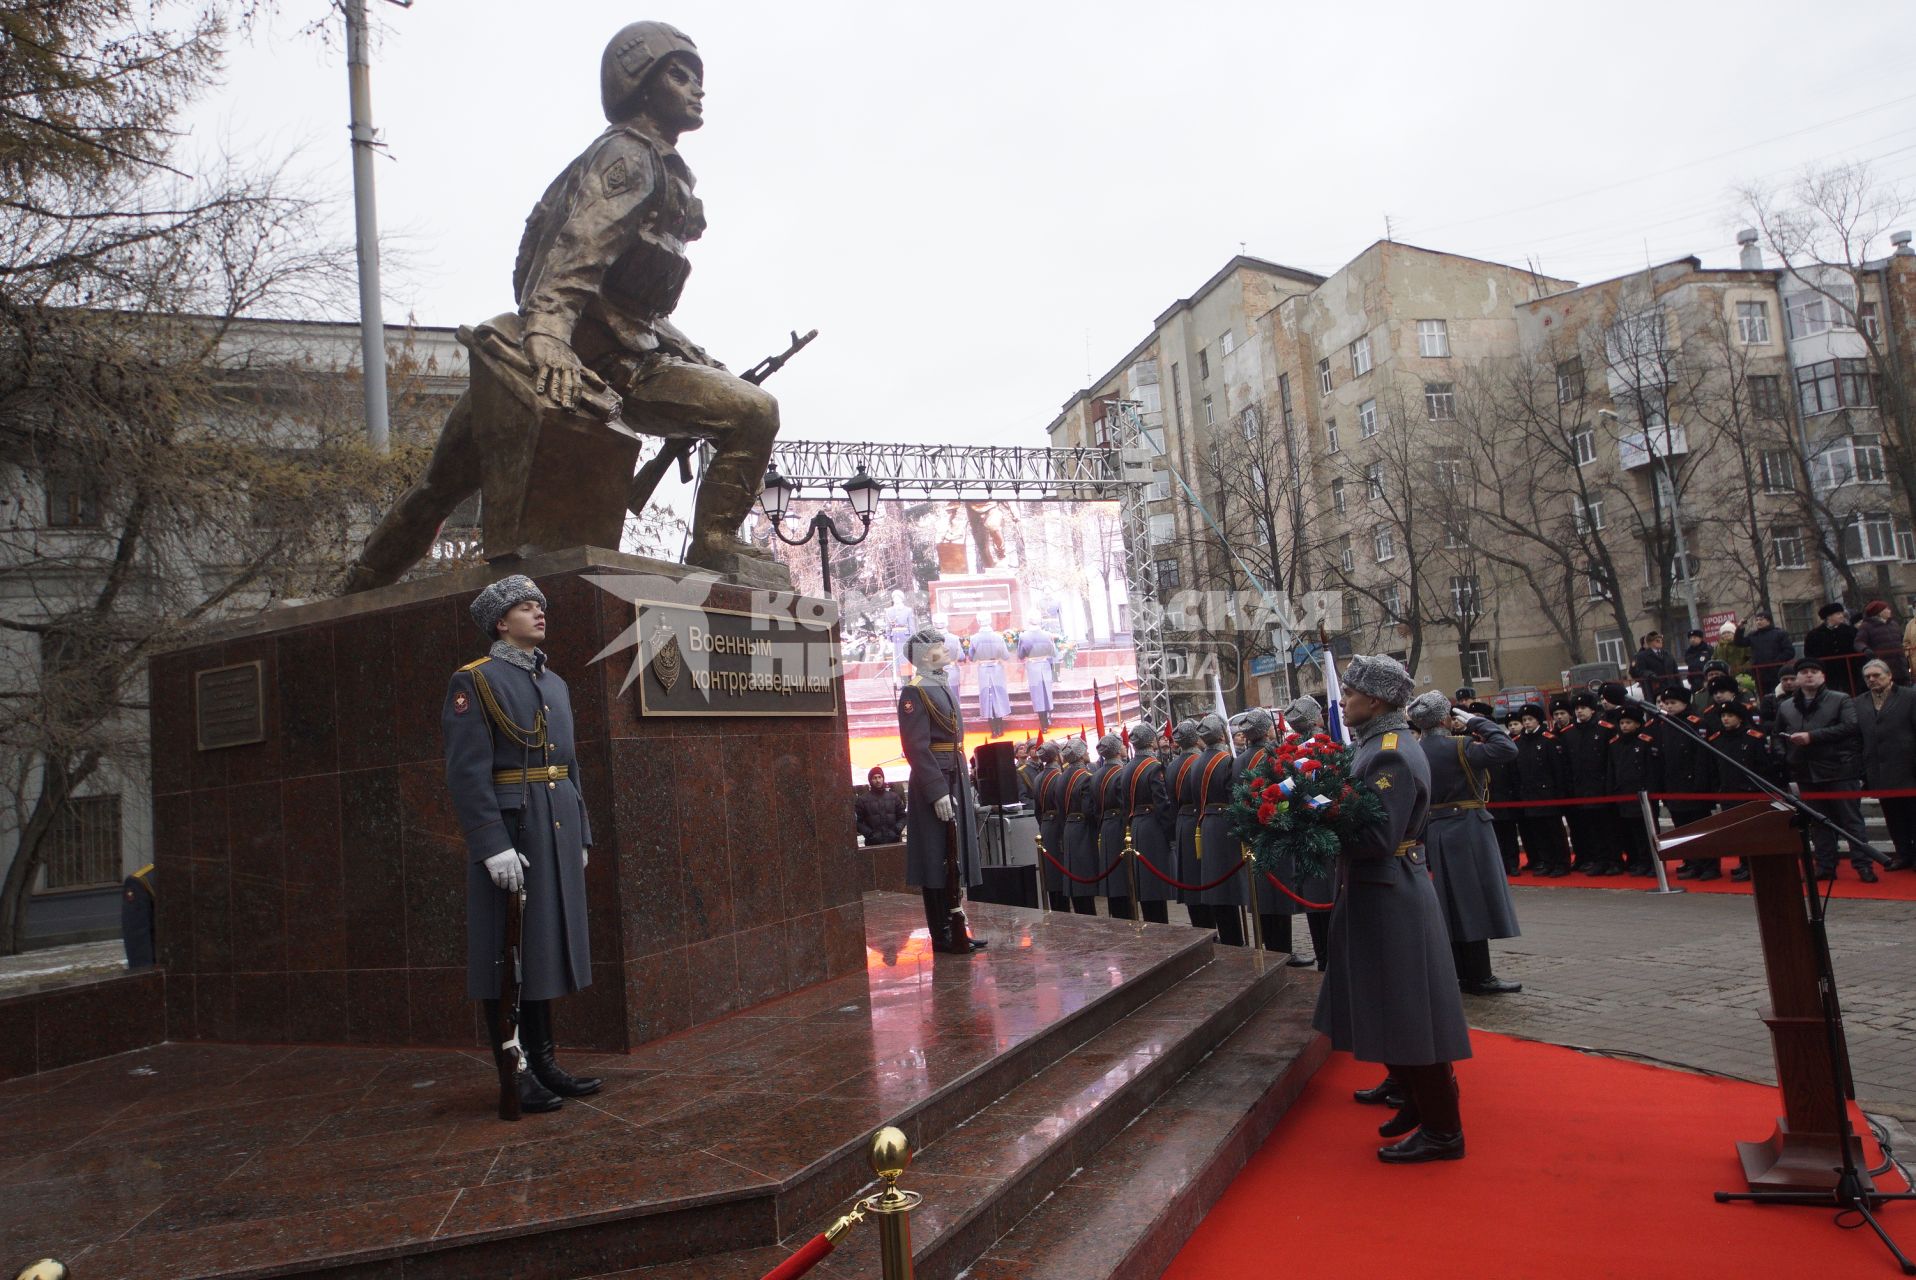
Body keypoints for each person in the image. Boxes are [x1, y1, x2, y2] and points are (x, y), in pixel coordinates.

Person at [345, 24, 779, 591]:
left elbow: (623, 296)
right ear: (640, 85)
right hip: (588, 363)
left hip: (607, 350)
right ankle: (713, 544)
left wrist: (686, 348)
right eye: (679, 74)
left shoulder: (663, 169)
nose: (697, 89)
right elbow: (578, 246)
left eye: (698, 77)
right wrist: (548, 336)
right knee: (754, 413)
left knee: (437, 490)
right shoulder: (628, 156)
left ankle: (357, 590)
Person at [444, 575, 599, 1117]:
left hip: (553, 827)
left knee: (540, 950)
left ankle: (546, 1061)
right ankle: (517, 1071)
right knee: (504, 956)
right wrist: (490, 844)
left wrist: (579, 830)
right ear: (499, 622)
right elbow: (468, 773)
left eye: (540, 606)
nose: (539, 613)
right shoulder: (475, 682)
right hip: (514, 834)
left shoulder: (553, 683)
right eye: (526, 607)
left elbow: (570, 764)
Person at [1317, 655, 1472, 1164]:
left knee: (1409, 1009)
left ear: (1376, 701)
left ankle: (1444, 1132)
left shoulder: (1390, 754)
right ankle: (1417, 1102)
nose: (1344, 702)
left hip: (1388, 891)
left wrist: (1314, 824)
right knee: (1394, 1003)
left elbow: (1378, 836)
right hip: (1378, 891)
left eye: (1352, 693)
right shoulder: (1377, 746)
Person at [1406, 692, 1522, 996]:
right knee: (1473, 904)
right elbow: (1507, 748)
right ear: (1446, 718)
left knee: (1451, 905)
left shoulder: (1415, 751)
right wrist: (1477, 721)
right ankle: (1480, 977)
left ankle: (1461, 974)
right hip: (1469, 829)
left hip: (1434, 831)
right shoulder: (1461, 746)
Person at [897, 627, 991, 950]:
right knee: (937, 859)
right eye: (938, 646)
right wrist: (936, 790)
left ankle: (957, 926)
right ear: (925, 655)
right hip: (934, 781)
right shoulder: (914, 691)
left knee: (955, 856)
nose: (944, 650)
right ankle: (942, 933)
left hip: (955, 775)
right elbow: (916, 747)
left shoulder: (941, 685)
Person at [1774, 658, 1876, 883]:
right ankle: (1825, 865)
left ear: (1823, 677)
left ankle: (1863, 865)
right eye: (1804, 672)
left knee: (1851, 821)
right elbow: (1777, 734)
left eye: (1814, 671)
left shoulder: (1840, 699)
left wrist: (1813, 736)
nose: (1809, 675)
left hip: (1839, 769)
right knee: (1817, 822)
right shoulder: (1786, 706)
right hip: (1805, 771)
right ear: (1797, 678)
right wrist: (1785, 755)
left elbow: (1850, 727)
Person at [1236, 708, 1317, 965]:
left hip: (1252, 830)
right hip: (1275, 826)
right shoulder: (1273, 755)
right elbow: (1288, 788)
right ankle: (1282, 951)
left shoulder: (1238, 759)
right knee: (1278, 893)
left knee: (1262, 890)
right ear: (1266, 730)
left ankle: (1268, 947)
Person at [1704, 701, 1779, 882]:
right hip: (1728, 791)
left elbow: (1764, 766)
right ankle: (1744, 863)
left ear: (1739, 717)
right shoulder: (1716, 739)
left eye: (1729, 715)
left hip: (1749, 791)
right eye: (1723, 716)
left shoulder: (1753, 737)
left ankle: (1754, 865)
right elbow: (1713, 767)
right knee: (1737, 831)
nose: (1726, 719)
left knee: (1752, 830)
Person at [1855, 659, 1916, 871]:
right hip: (1878, 771)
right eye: (1867, 677)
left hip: (1908, 769)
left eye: (1876, 675)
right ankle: (1903, 854)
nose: (1872, 679)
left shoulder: (1909, 697)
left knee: (1913, 814)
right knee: (1893, 816)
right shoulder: (1859, 702)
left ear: (1889, 676)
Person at [1650, 687, 1717, 879]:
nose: (1669, 707)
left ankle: (1709, 864)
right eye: (1666, 703)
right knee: (1682, 827)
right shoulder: (1664, 725)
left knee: (1700, 827)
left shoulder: (1695, 724)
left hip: (1693, 785)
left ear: (1685, 703)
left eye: (1673, 703)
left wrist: (1700, 783)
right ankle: (1691, 861)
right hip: (1673, 784)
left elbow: (1702, 758)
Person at [1118, 719, 1176, 924]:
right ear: (1151, 741)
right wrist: (1171, 835)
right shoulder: (1154, 767)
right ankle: (1160, 928)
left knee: (1145, 883)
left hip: (1135, 826)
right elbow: (1162, 804)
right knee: (1154, 886)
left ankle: (1153, 926)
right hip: (1153, 827)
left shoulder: (1127, 768)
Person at [1510, 704, 1572, 876]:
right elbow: (1516, 771)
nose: (1527, 723)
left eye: (1530, 719)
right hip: (1529, 794)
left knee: (1554, 830)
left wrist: (1559, 793)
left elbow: (1558, 769)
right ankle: (1545, 861)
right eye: (1524, 720)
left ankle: (1561, 862)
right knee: (1538, 831)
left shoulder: (1548, 740)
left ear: (1538, 720)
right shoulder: (1518, 743)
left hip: (1548, 794)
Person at [1561, 691, 1618, 874]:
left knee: (1608, 827)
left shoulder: (1605, 729)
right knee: (1590, 828)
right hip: (1581, 789)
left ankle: (1614, 859)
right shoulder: (1568, 734)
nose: (1579, 712)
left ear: (1593, 710)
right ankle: (1598, 859)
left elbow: (1611, 761)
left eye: (1583, 708)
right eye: (1576, 708)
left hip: (1601, 787)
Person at [1604, 705, 1657, 876]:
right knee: (1630, 831)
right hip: (1623, 793)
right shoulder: (1614, 744)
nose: (1624, 726)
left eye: (1628, 722)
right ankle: (1637, 861)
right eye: (1622, 722)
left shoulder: (1645, 742)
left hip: (1642, 794)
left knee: (1647, 831)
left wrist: (1651, 791)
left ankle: (1652, 862)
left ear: (1637, 724)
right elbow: (1611, 769)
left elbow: (1651, 770)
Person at [1059, 737, 1102, 915]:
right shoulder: (1085, 777)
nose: (1088, 753)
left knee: (1075, 878)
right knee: (1084, 876)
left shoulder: (1061, 777)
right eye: (1085, 751)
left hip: (1069, 827)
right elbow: (1089, 809)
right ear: (1079, 755)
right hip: (1084, 829)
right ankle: (1088, 916)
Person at [1092, 733, 1133, 918]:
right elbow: (1125, 804)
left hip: (1105, 826)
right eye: (1122, 745)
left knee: (1112, 878)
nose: (1125, 747)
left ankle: (1117, 917)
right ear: (1116, 750)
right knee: (1124, 878)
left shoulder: (1096, 774)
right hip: (1120, 828)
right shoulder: (1122, 772)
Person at [1033, 742, 1070, 909]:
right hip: (1058, 827)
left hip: (1045, 826)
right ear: (1056, 756)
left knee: (1051, 873)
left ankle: (1056, 910)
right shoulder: (1059, 776)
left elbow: (1037, 810)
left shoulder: (1038, 777)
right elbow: (1062, 806)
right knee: (1060, 873)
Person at [1803, 602, 1862, 696]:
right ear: (1828, 617)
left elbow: (1858, 648)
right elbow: (1809, 654)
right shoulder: (1814, 635)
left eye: (1842, 613)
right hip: (1827, 673)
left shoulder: (1851, 631)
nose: (1841, 616)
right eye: (1838, 614)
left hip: (1850, 672)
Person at [969, 614, 1012, 736]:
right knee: (998, 697)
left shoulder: (974, 638)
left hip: (983, 669)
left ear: (978, 622)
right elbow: (1006, 656)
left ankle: (993, 731)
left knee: (987, 698)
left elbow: (971, 658)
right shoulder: (998, 637)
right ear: (990, 621)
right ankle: (1000, 729)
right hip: (997, 668)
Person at [1737, 611, 1797, 693]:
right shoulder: (1754, 635)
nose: (1758, 622)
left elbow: (1789, 652)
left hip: (1776, 672)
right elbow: (1739, 642)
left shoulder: (1779, 633)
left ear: (1768, 621)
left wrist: (1776, 662)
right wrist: (1740, 629)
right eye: (1757, 620)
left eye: (1761, 619)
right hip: (1760, 674)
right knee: (1764, 697)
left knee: (1779, 693)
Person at [1856, 601, 1909, 684]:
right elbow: (1858, 642)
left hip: (1900, 664)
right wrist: (1865, 649)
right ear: (1879, 612)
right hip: (1883, 664)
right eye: (1886, 609)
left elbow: (1901, 638)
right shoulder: (1867, 626)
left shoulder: (1893, 624)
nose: (1889, 611)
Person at [1018, 623, 1059, 732]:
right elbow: (1054, 652)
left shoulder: (1023, 636)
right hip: (1045, 665)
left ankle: (1043, 725)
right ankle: (1048, 718)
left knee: (1038, 696)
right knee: (1046, 693)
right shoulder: (1047, 635)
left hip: (1033, 667)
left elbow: (1021, 654)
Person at [855, 766, 907, 847]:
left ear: (883, 778)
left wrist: (896, 831)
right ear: (870, 780)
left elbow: (903, 817)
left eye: (880, 777)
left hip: (894, 841)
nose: (878, 780)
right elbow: (858, 822)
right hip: (872, 844)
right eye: (874, 778)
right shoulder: (862, 800)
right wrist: (870, 835)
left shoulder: (894, 797)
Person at [1630, 632, 1679, 697]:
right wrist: (1650, 674)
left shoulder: (1668, 654)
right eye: (1657, 640)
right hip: (1654, 690)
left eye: (1661, 640)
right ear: (1649, 643)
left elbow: (1676, 672)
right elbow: (1640, 671)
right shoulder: (1642, 656)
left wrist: (1680, 687)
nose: (1660, 642)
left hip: (1671, 688)